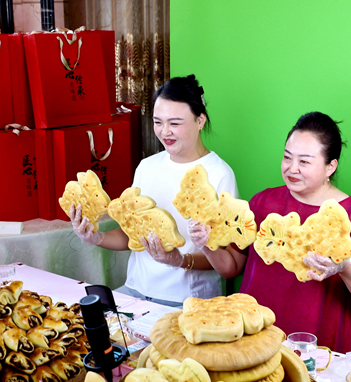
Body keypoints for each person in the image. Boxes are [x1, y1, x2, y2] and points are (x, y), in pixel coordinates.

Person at [187, 112, 351, 354]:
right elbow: (231, 267)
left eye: (304, 162)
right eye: (287, 157)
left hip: (315, 346)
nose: (292, 169)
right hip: (255, 339)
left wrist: (344, 267)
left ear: (330, 166)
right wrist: (206, 244)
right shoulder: (263, 202)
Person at [69, 75, 238, 308]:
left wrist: (179, 260)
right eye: (158, 122)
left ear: (200, 121)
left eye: (175, 123)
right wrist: (95, 237)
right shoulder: (147, 166)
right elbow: (131, 234)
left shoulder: (219, 174)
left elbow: (227, 261)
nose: (165, 132)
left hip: (186, 301)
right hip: (135, 290)